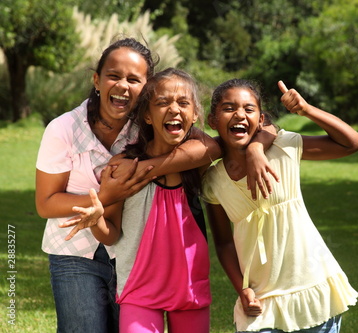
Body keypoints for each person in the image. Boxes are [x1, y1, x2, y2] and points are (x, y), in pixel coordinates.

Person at [35, 39, 220, 332]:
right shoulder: (63, 129)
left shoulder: (150, 120)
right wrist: (107, 195)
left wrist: (145, 169)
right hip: (76, 252)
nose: (123, 85)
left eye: (134, 79)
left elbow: (208, 147)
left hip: (133, 257)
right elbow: (46, 203)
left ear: (146, 90)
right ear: (96, 80)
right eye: (114, 76)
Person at [203, 79, 358, 333]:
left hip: (312, 292)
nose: (239, 115)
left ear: (261, 119)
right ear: (212, 121)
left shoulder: (283, 148)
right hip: (261, 301)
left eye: (248, 108)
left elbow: (352, 143)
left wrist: (307, 110)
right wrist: (242, 289)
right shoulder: (212, 181)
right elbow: (223, 243)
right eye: (228, 108)